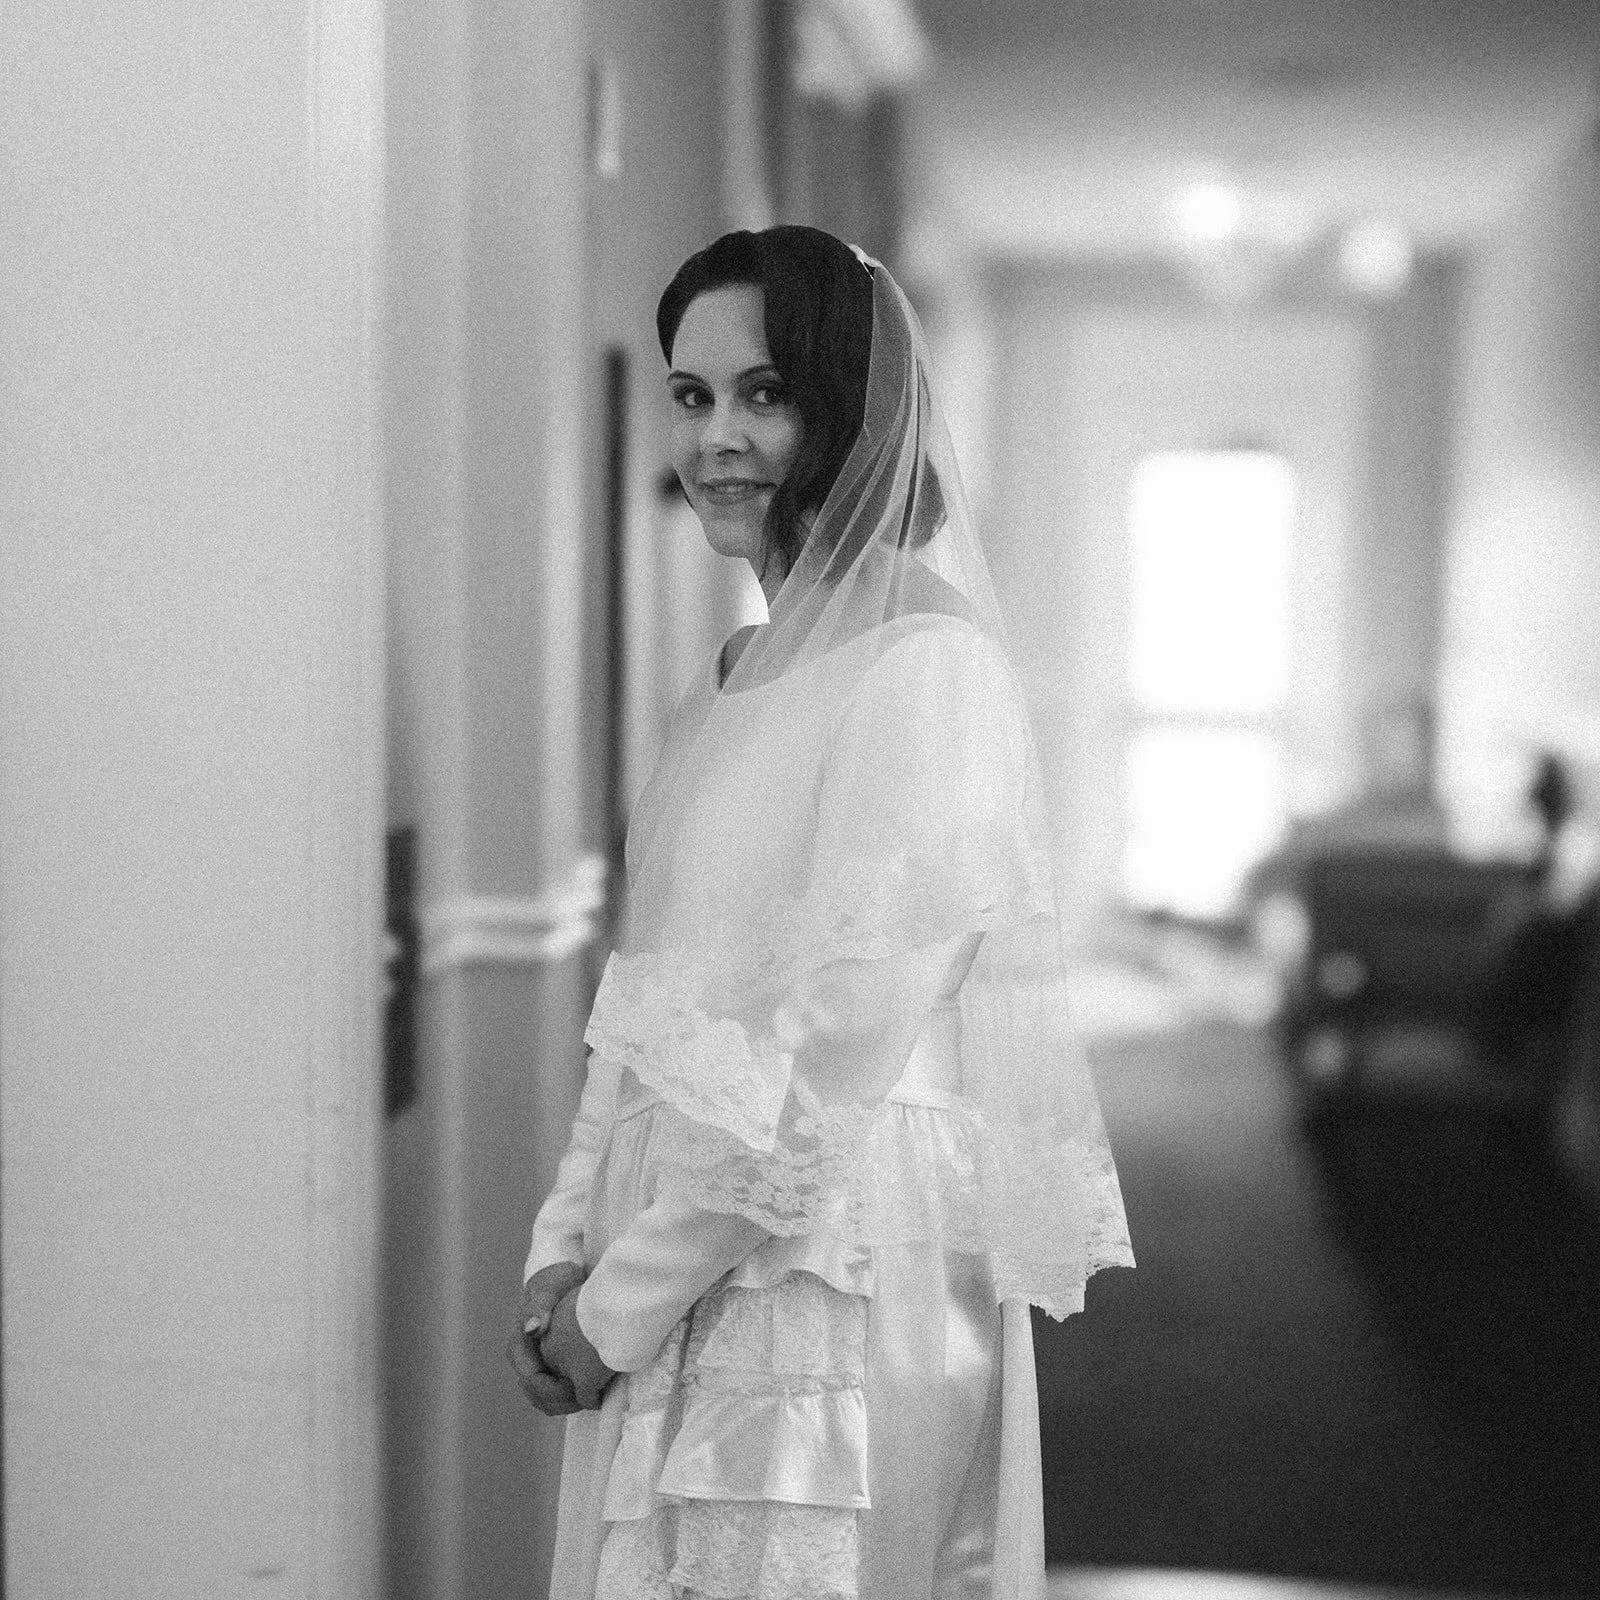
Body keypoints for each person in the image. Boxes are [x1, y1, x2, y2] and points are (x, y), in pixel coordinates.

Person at [508, 225, 1132, 1600]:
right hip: (664, 1240)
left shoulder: (930, 667)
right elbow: (645, 1001)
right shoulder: (730, 674)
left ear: (848, 410)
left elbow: (842, 1044)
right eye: (692, 395)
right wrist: (564, 1251)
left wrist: (616, 1307)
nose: (717, 435)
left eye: (764, 393)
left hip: (834, 1262)